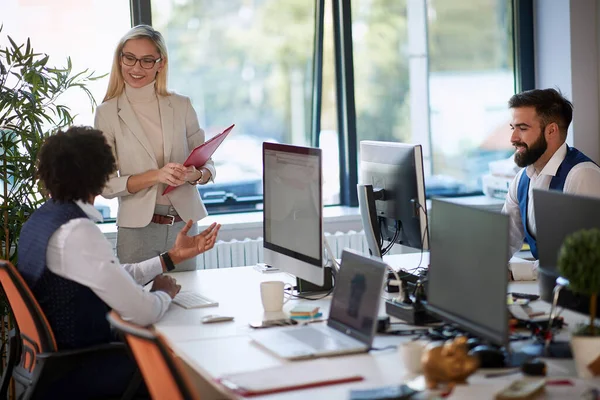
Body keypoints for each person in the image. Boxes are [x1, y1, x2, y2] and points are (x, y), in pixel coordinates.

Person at [17, 126, 221, 399]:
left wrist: (169, 259)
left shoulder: (43, 220)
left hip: (53, 367)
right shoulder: (77, 231)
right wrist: (164, 293)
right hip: (87, 370)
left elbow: (112, 275)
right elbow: (143, 312)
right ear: (101, 176)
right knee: (188, 367)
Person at [94, 24, 215, 271]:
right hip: (137, 230)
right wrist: (156, 176)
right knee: (138, 304)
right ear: (120, 59)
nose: (136, 68)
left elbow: (207, 162)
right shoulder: (107, 113)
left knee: (187, 301)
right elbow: (105, 185)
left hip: (183, 224)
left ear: (161, 63)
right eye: (130, 58)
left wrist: (196, 175)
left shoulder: (181, 105)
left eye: (147, 61)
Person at [502, 88, 600, 279]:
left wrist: (517, 272)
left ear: (551, 130)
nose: (513, 138)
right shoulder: (522, 179)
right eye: (512, 128)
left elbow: (585, 259)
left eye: (522, 128)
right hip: (550, 288)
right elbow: (501, 241)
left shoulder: (582, 176)